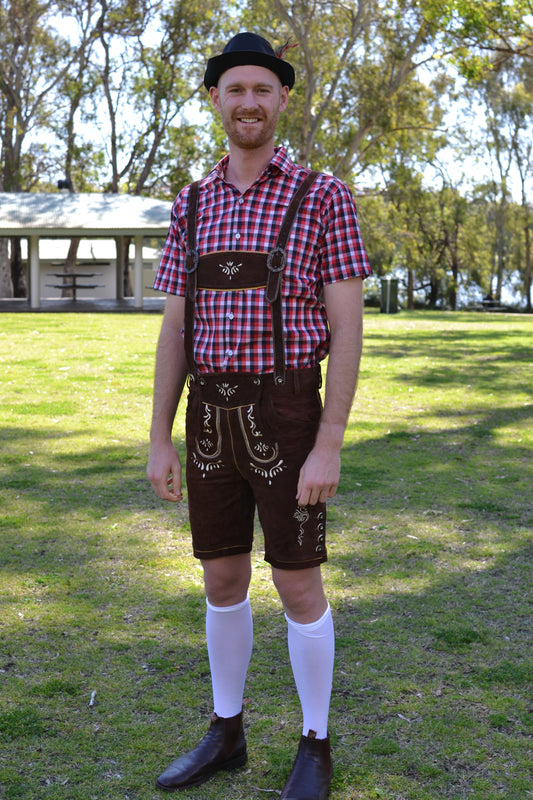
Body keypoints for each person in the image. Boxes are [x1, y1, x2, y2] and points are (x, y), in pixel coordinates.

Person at [147, 31, 371, 799]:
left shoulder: (322, 194)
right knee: (220, 575)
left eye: (262, 90)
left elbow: (348, 330)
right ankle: (226, 730)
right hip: (208, 414)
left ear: (281, 101)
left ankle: (314, 741)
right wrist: (158, 437)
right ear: (214, 99)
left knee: (298, 583)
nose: (248, 102)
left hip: (286, 412)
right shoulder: (192, 201)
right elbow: (175, 328)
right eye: (234, 89)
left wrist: (328, 443)